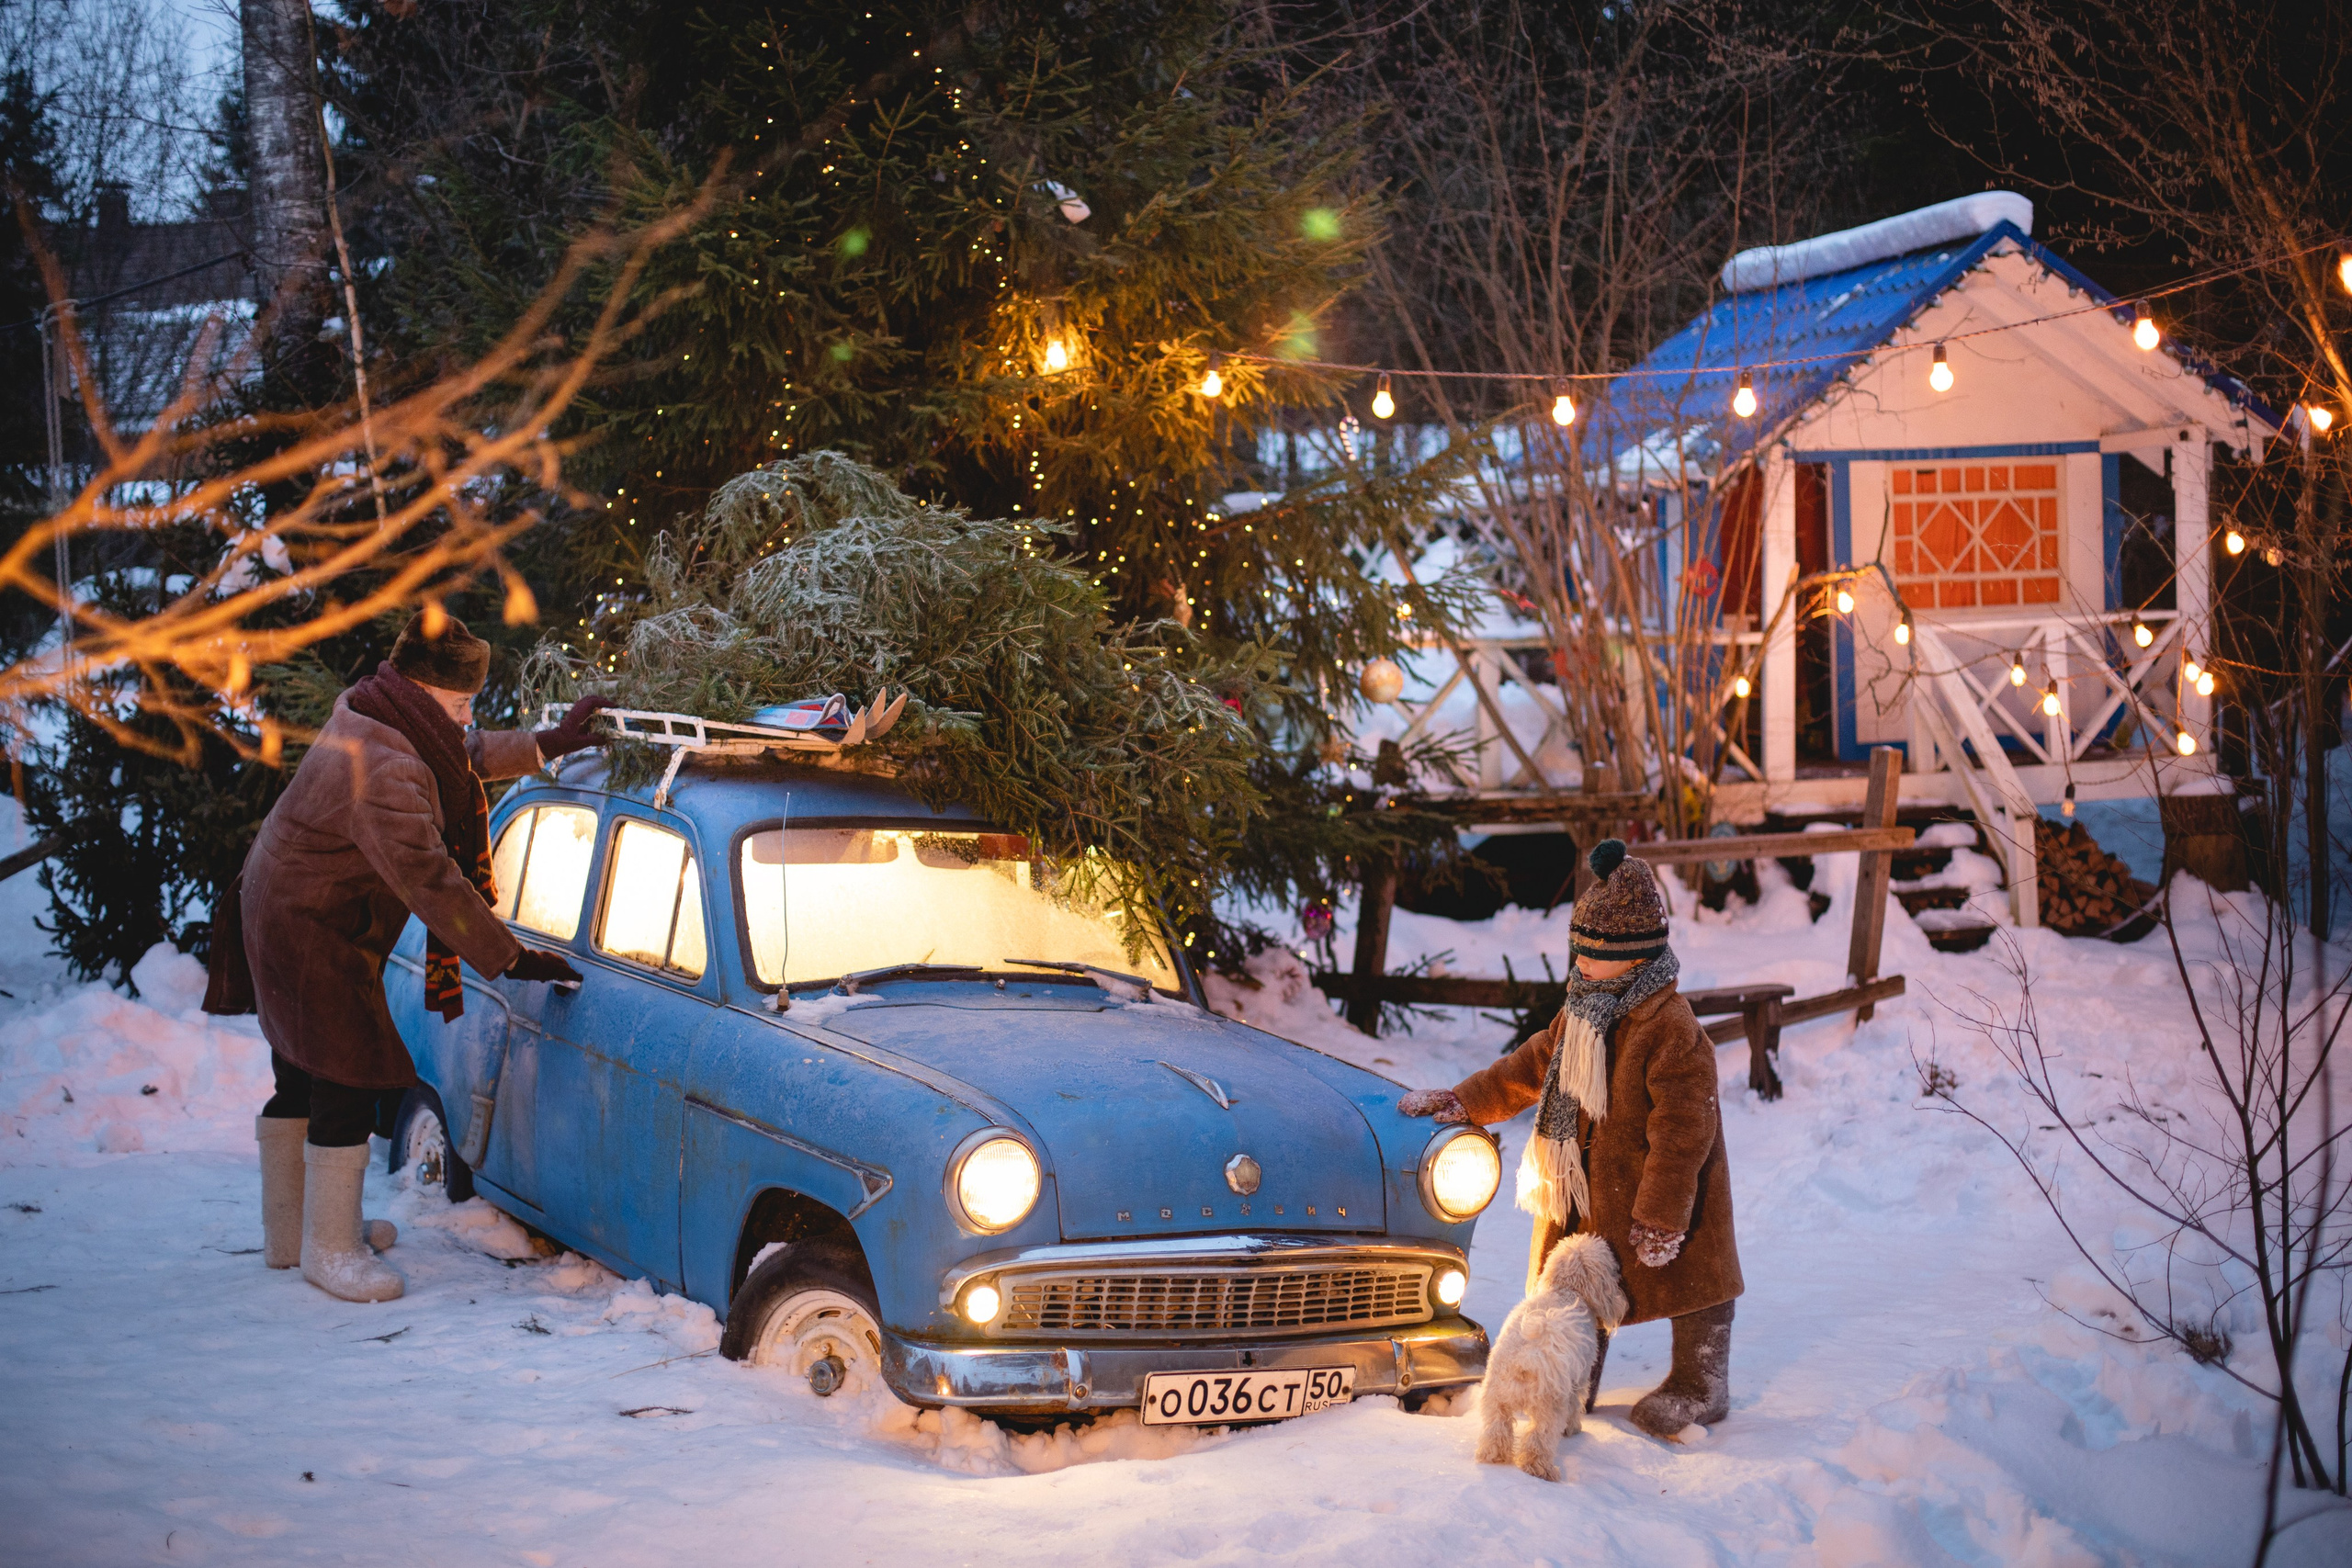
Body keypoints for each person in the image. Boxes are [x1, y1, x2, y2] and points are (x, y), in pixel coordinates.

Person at [218, 613, 611, 1303]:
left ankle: (294, 1232)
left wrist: (547, 743)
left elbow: (461, 752)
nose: (466, 717)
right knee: (342, 1073)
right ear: (424, 690)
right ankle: (330, 1249)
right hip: (312, 930)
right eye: (460, 703)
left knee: (301, 1073)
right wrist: (510, 957)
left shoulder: (380, 711)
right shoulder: (390, 765)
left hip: (277, 903)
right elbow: (432, 880)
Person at [1401, 839, 1743, 1439]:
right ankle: (1570, 1376)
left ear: (1636, 957)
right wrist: (1468, 1100)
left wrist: (1663, 1212)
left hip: (1660, 1188)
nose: (1581, 962)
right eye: (1579, 949)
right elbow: (1531, 1065)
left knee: (1691, 1282)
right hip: (1587, 1188)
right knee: (1577, 1288)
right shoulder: (1582, 1009)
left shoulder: (1670, 1027)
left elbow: (1683, 1130)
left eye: (1596, 953)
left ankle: (1700, 1381)